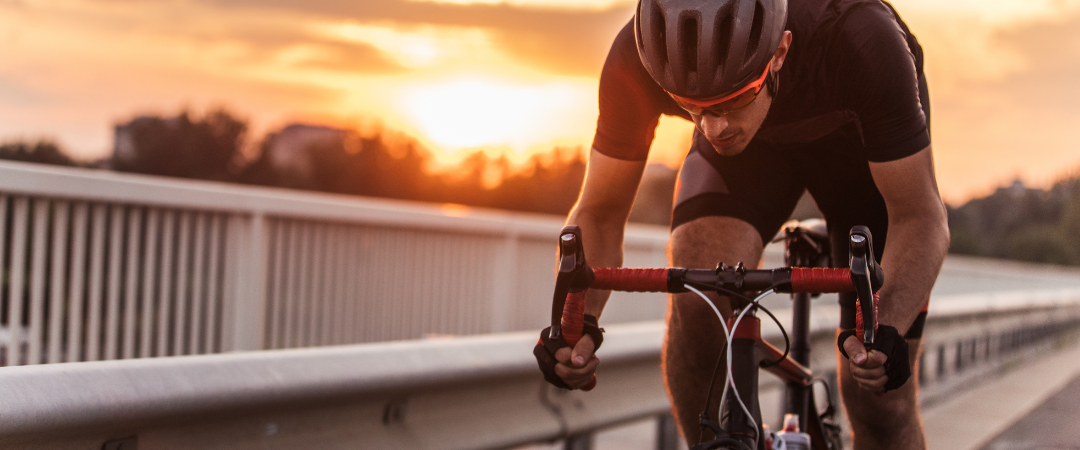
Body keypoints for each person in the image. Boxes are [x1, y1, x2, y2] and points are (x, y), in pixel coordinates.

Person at [533, 0, 950, 448]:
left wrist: (885, 326)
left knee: (879, 401)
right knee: (698, 305)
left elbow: (921, 217)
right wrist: (576, 321)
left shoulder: (862, 39)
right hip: (754, 157)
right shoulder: (641, 54)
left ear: (780, 52)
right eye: (691, 106)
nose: (713, 127)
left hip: (859, 154)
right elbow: (599, 211)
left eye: (732, 99)